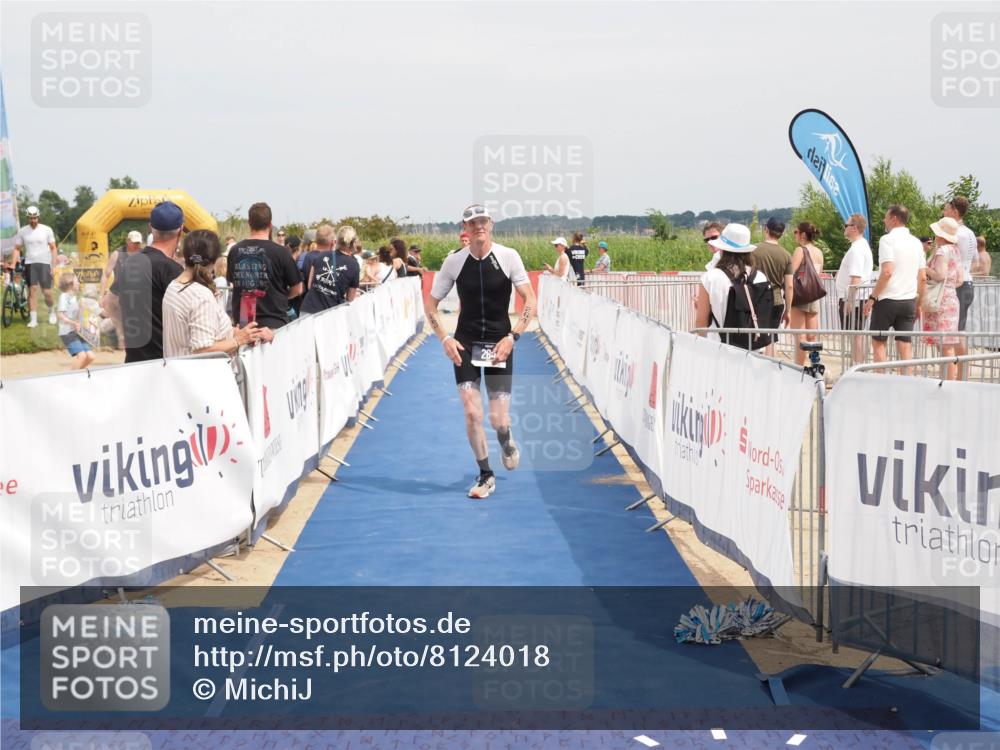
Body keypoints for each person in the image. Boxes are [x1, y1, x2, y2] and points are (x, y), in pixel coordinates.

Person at [426, 203, 535, 500]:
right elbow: (431, 305)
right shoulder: (454, 262)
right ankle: (486, 474)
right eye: (473, 223)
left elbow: (530, 300)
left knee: (498, 420)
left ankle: (505, 438)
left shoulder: (508, 256)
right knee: (472, 412)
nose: (479, 227)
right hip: (466, 344)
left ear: (491, 224)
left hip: (500, 345)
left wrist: (513, 337)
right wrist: (445, 338)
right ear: (465, 228)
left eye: (483, 221)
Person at [163, 230, 262, 358]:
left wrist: (229, 333)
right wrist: (238, 340)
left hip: (176, 370)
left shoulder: (173, 286)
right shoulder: (200, 296)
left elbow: (193, 336)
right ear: (214, 261)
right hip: (200, 375)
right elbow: (203, 349)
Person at [106, 201, 185, 362]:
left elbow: (109, 302)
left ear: (150, 227)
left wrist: (122, 332)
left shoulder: (130, 262)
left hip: (133, 360)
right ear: (181, 230)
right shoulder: (172, 269)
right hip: (164, 363)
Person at [864, 204, 927, 373]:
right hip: (909, 301)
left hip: (887, 299)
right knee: (905, 345)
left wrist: (872, 297)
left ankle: (883, 383)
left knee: (879, 343)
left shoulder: (887, 239)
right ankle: (907, 385)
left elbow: (887, 271)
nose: (884, 220)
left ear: (894, 218)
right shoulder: (916, 243)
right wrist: (919, 304)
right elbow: (923, 277)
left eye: (886, 217)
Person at [226, 202, 303, 333]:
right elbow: (298, 289)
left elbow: (234, 282)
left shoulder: (235, 250)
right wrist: (282, 297)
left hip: (245, 324)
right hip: (273, 322)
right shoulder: (281, 252)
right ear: (270, 224)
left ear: (249, 223)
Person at [695, 223, 770, 347]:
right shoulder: (760, 276)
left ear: (722, 248)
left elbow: (701, 321)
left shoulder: (710, 277)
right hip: (754, 347)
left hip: (720, 346)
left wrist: (701, 346)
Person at [921, 217, 963, 380]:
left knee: (944, 347)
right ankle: (947, 381)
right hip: (951, 297)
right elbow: (959, 279)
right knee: (947, 345)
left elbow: (940, 275)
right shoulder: (956, 251)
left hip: (940, 299)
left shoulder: (942, 251)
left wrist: (925, 268)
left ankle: (947, 382)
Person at [943, 196, 978, 372]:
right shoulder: (970, 233)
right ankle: (960, 373)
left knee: (954, 332)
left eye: (946, 209)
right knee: (959, 330)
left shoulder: (957, 233)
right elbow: (975, 261)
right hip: (967, 282)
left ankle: (958, 373)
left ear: (955, 212)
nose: (944, 212)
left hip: (959, 285)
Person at [750, 217, 793, 355]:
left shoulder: (753, 250)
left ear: (766, 229)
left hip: (756, 299)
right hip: (777, 300)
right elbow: (789, 286)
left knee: (756, 336)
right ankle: (771, 367)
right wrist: (789, 310)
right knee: (772, 339)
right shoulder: (786, 255)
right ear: (782, 233)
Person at [834, 214, 874, 364]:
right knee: (856, 335)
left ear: (855, 228)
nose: (844, 228)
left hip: (854, 299)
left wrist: (849, 301)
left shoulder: (857, 249)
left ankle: (858, 367)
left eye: (846, 225)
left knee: (855, 336)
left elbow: (856, 278)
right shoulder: (860, 246)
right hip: (857, 297)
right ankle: (858, 366)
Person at [12, 205, 59, 328]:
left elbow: (53, 248)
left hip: (44, 263)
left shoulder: (46, 230)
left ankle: (52, 313)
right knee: (32, 291)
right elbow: (17, 248)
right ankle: (33, 319)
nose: (33, 220)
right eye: (30, 218)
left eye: (35, 218)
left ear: (38, 217)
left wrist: (53, 266)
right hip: (30, 263)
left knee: (47, 292)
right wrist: (13, 263)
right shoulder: (22, 231)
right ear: (27, 218)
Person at [300, 225, 361, 314]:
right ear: (354, 243)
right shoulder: (354, 265)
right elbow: (350, 299)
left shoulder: (321, 255)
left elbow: (310, 285)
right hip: (329, 315)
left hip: (307, 309)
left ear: (337, 241)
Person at [100, 229, 144, 350]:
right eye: (134, 242)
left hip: (135, 293)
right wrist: (102, 294)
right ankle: (121, 342)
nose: (136, 245)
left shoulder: (142, 254)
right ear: (128, 241)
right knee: (119, 319)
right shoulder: (118, 253)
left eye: (138, 243)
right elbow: (106, 274)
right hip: (118, 292)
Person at [789, 222, 825, 365]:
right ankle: (814, 365)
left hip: (800, 295)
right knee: (812, 336)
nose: (795, 235)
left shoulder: (800, 250)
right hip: (814, 295)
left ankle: (799, 368)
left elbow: (789, 273)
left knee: (799, 334)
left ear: (803, 234)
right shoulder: (819, 252)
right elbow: (818, 274)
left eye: (796, 232)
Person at [56, 272, 96, 370]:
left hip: (76, 331)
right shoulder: (64, 296)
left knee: (90, 357)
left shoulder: (74, 298)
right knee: (82, 356)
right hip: (67, 332)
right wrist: (74, 323)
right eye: (77, 282)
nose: (79, 283)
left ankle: (75, 374)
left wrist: (82, 308)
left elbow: (78, 317)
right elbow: (60, 315)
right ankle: (70, 378)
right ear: (70, 284)